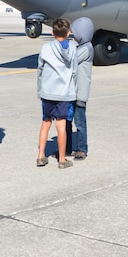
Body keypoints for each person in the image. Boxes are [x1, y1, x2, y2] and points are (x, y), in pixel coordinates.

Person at [36, 18, 77, 169]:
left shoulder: (45, 48)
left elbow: (40, 70)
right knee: (61, 125)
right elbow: (75, 72)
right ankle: (61, 159)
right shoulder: (72, 49)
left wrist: (40, 89)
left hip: (48, 92)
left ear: (52, 32)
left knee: (46, 123)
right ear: (68, 33)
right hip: (64, 92)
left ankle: (41, 155)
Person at [70, 17, 94, 161]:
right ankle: (67, 147)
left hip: (80, 93)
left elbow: (71, 60)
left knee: (79, 122)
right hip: (73, 92)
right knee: (67, 121)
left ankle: (81, 149)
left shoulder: (86, 48)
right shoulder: (81, 46)